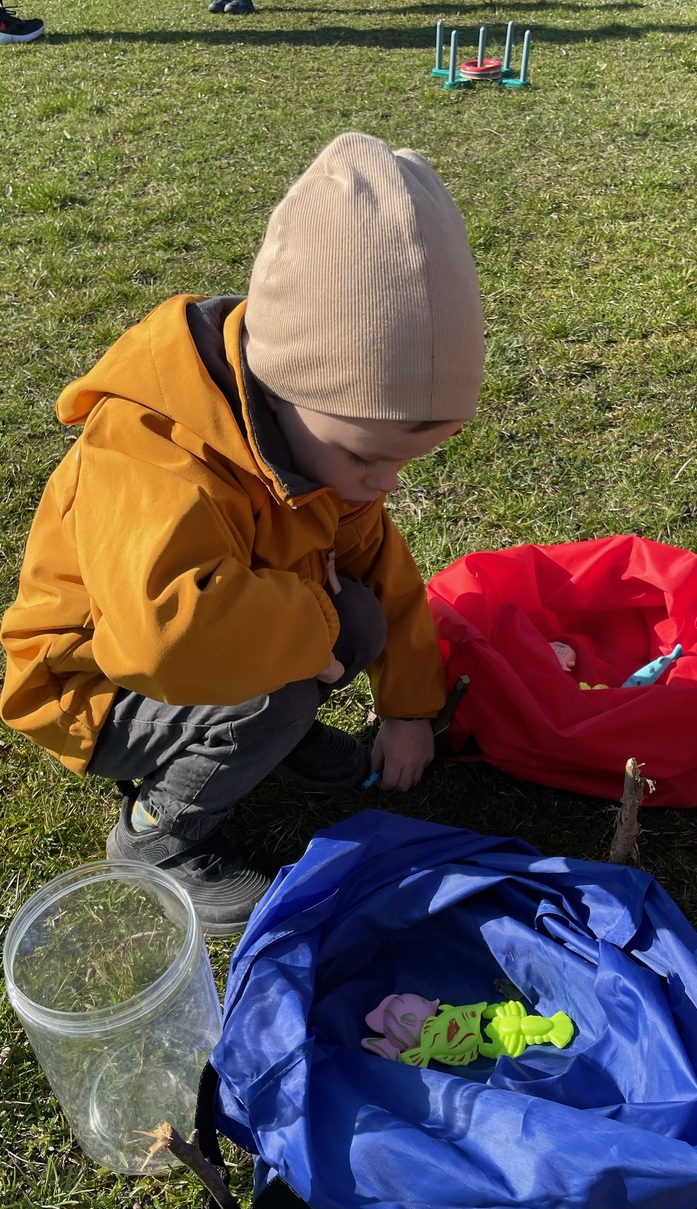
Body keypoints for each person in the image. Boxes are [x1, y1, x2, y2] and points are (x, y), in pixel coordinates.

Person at [0, 131, 485, 936]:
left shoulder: (321, 451)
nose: (387, 483)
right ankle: (159, 837)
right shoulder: (152, 446)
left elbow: (381, 571)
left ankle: (271, 740)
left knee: (358, 618)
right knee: (286, 683)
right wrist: (315, 625)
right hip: (90, 683)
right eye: (369, 457)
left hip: (216, 641)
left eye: (406, 460)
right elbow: (162, 638)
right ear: (285, 386)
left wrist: (408, 706)